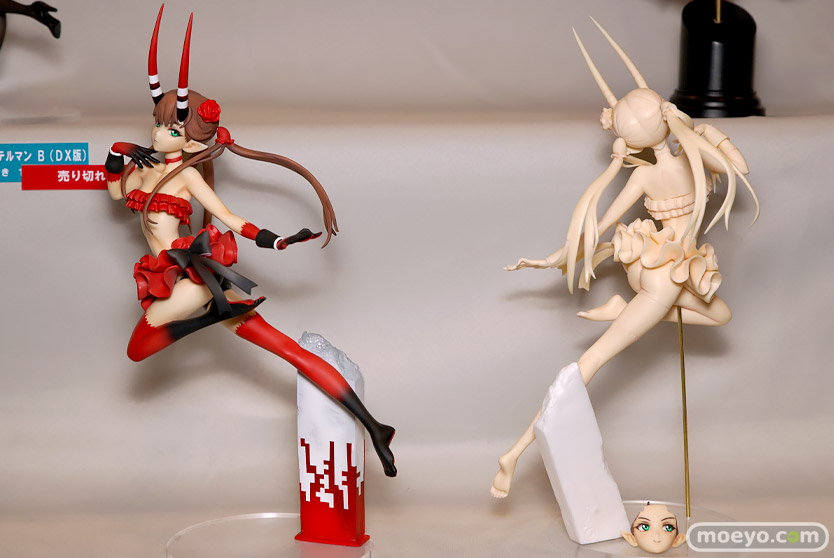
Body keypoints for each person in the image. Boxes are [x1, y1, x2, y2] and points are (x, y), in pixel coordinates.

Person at [105, 7, 395, 477]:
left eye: (172, 129)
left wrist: (275, 241)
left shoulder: (187, 177)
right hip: (181, 277)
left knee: (141, 343)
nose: (159, 134)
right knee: (285, 349)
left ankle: (207, 316)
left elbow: (229, 218)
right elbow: (117, 192)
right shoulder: (148, 169)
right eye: (157, 124)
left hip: (190, 280)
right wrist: (117, 152)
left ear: (191, 141)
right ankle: (376, 427)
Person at [491, 19, 758, 498]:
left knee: (721, 314)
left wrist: (554, 257)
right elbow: (738, 166)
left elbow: (601, 222)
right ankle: (513, 454)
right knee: (591, 362)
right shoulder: (685, 160)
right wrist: (707, 133)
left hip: (669, 269)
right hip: (663, 276)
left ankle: (623, 309)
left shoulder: (651, 172)